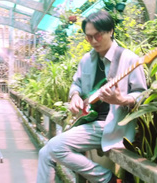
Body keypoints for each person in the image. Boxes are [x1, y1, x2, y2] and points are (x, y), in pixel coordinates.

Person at [36, 10, 147, 183]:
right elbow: (76, 84)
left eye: (98, 36)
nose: (93, 41)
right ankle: (110, 180)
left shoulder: (129, 59)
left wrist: (121, 100)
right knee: (45, 152)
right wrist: (74, 96)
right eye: (88, 37)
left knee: (55, 148)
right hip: (89, 122)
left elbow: (142, 94)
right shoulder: (86, 60)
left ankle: (108, 180)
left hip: (113, 124)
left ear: (110, 31)